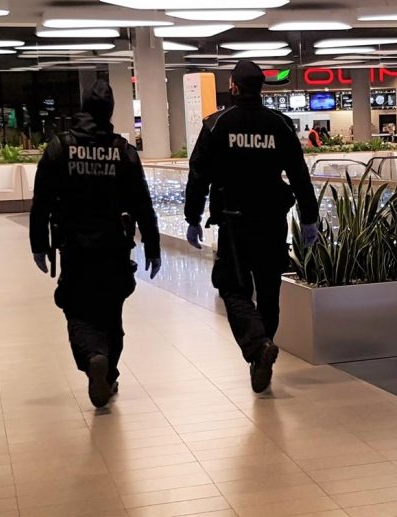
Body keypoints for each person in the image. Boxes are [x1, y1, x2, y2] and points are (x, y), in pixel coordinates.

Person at [185, 61, 319, 394]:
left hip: (234, 222)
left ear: (233, 86)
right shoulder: (280, 124)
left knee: (233, 288)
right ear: (261, 88)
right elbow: (299, 175)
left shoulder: (217, 124)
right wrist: (309, 217)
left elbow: (198, 174)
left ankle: (258, 346)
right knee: (269, 292)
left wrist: (192, 216)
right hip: (272, 221)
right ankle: (263, 350)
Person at [29, 80, 161, 409]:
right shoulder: (122, 150)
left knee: (77, 309)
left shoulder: (60, 147)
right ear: (111, 111)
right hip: (115, 246)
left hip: (74, 246)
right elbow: (142, 203)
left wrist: (38, 244)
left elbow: (41, 201)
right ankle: (109, 373)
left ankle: (93, 358)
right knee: (111, 312)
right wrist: (153, 246)